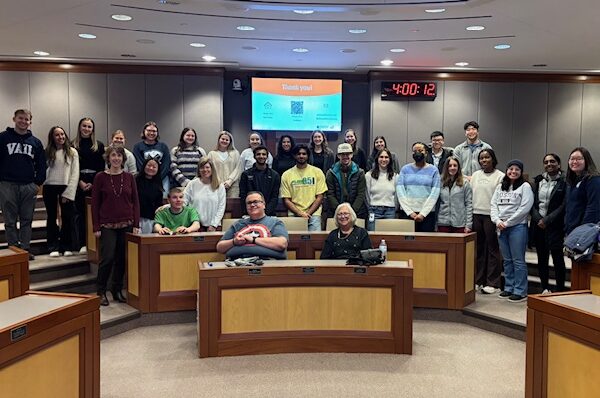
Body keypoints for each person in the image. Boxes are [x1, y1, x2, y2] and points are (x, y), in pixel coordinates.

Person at [91, 146, 140, 306]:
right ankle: (101, 290)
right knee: (108, 258)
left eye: (119, 155)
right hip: (107, 224)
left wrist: (136, 224)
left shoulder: (129, 177)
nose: (116, 158)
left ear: (123, 159)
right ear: (108, 158)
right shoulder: (100, 177)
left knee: (121, 259)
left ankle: (116, 289)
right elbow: (95, 204)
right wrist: (96, 227)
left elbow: (135, 202)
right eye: (113, 155)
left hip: (127, 223)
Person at [0, 109, 46, 260]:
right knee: (10, 221)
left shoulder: (36, 142)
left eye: (27, 119)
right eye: (21, 118)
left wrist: (37, 183)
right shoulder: (3, 138)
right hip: (7, 185)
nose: (23, 121)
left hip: (28, 186)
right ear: (14, 119)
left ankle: (25, 250)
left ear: (30, 122)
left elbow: (41, 165)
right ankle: (14, 250)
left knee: (27, 220)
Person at [491, 159, 534, 303]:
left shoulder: (525, 186)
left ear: (521, 172)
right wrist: (497, 221)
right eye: (511, 169)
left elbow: (524, 209)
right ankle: (509, 287)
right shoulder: (500, 187)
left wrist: (508, 223)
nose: (513, 172)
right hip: (501, 227)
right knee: (507, 260)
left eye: (517, 169)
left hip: (517, 227)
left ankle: (520, 290)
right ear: (507, 170)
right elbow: (493, 205)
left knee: (518, 260)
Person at [530, 153, 567, 293]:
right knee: (542, 259)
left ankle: (560, 290)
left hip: (555, 226)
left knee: (558, 260)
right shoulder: (538, 181)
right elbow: (532, 203)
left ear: (559, 164)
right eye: (546, 162)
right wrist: (538, 218)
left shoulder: (565, 182)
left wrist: (547, 220)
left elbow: (564, 205)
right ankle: (545, 287)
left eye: (552, 161)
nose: (549, 164)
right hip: (538, 225)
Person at [216, 191, 288, 259]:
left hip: (267, 263)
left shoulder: (275, 222)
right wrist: (234, 241)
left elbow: (281, 244)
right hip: (237, 263)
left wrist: (253, 239)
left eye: (256, 202)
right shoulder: (238, 224)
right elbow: (220, 248)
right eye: (249, 203)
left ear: (264, 205)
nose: (252, 205)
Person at [471, 149, 504, 294]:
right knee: (478, 249)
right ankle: (478, 280)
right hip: (476, 215)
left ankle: (493, 283)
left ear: (493, 159)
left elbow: (500, 199)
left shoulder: (500, 176)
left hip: (491, 216)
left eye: (487, 157)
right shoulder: (476, 175)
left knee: (492, 250)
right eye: (481, 158)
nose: (484, 160)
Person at [43, 126, 79, 257]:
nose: (60, 137)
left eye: (62, 134)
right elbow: (44, 171)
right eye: (57, 135)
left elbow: (75, 173)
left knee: (67, 218)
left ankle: (66, 246)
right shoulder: (47, 152)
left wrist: (69, 192)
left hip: (65, 187)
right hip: (50, 187)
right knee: (51, 217)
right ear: (52, 137)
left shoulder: (72, 152)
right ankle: (53, 246)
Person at [72, 117, 105, 255]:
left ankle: (94, 243)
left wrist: (93, 183)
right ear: (80, 127)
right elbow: (71, 167)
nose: (86, 129)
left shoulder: (99, 145)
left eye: (89, 127)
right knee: (79, 215)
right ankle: (81, 243)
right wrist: (79, 181)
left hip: (95, 183)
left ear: (93, 129)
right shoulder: (72, 145)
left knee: (94, 215)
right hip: (77, 183)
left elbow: (101, 168)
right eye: (84, 126)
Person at [281, 144, 328, 231]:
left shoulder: (317, 172)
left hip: (314, 214)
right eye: (298, 154)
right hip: (294, 214)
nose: (301, 156)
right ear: (294, 156)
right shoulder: (286, 175)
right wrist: (300, 213)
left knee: (314, 242)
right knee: (294, 243)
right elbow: (286, 199)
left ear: (308, 156)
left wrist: (308, 213)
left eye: (304, 154)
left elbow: (320, 197)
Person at [396, 142, 441, 232]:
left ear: (426, 153)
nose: (417, 153)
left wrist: (423, 213)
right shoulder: (405, 169)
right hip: (407, 213)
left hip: (427, 215)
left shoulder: (433, 170)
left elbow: (435, 193)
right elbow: (400, 191)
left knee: (425, 243)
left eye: (420, 150)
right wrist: (409, 212)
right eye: (415, 151)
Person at [326, 143, 367, 219]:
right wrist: (340, 211)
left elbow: (361, 194)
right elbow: (330, 193)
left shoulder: (360, 172)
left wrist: (351, 211)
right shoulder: (331, 173)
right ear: (338, 156)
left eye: (348, 154)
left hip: (356, 212)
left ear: (352, 155)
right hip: (336, 212)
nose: (345, 156)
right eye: (342, 154)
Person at [184, 157, 226, 231]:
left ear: (212, 169)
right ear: (199, 170)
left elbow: (221, 207)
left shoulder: (219, 185)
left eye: (207, 167)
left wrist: (214, 225)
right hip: (195, 225)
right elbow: (183, 201)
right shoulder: (192, 184)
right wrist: (168, 206)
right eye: (202, 167)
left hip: (214, 226)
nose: (205, 170)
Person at [565, 147, 600, 235]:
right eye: (572, 159)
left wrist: (582, 232)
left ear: (587, 161)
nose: (574, 162)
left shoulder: (593, 179)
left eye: (579, 159)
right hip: (571, 230)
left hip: (583, 233)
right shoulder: (573, 181)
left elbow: (593, 209)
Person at [239, 145, 281, 216]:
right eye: (258, 154)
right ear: (254, 156)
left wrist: (264, 213)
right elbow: (243, 196)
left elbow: (274, 197)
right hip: (250, 214)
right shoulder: (246, 174)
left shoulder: (275, 175)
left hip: (269, 214)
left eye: (264, 154)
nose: (261, 156)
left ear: (267, 156)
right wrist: (252, 211)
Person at [132, 121, 171, 195]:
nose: (151, 133)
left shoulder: (163, 146)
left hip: (161, 179)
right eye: (149, 130)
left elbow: (166, 164)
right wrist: (148, 176)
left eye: (154, 131)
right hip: (144, 179)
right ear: (144, 131)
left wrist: (157, 177)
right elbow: (139, 164)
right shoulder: (137, 147)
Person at [436, 156, 473, 233]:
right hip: (442, 222)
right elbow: (436, 203)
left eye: (455, 165)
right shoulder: (440, 181)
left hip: (459, 223)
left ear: (458, 167)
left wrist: (468, 224)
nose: (452, 168)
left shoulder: (465, 182)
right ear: (446, 167)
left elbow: (469, 204)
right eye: (450, 166)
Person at [365, 148, 398, 231]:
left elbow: (397, 196)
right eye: (381, 157)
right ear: (377, 159)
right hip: (373, 210)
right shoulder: (369, 175)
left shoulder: (396, 176)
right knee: (372, 237)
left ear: (390, 160)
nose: (384, 159)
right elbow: (367, 195)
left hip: (390, 211)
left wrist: (394, 208)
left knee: (389, 237)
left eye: (386, 157)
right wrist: (370, 207)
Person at [206, 130, 241, 198]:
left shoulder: (235, 153)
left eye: (227, 140)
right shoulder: (212, 154)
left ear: (230, 142)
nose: (224, 141)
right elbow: (209, 169)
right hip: (216, 185)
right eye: (222, 139)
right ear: (219, 140)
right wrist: (219, 182)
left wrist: (230, 181)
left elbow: (238, 168)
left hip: (233, 186)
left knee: (232, 207)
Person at [135, 158, 164, 234]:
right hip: (135, 217)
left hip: (149, 219)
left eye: (154, 167)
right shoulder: (135, 180)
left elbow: (159, 205)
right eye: (149, 165)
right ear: (144, 166)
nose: (151, 168)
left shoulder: (158, 185)